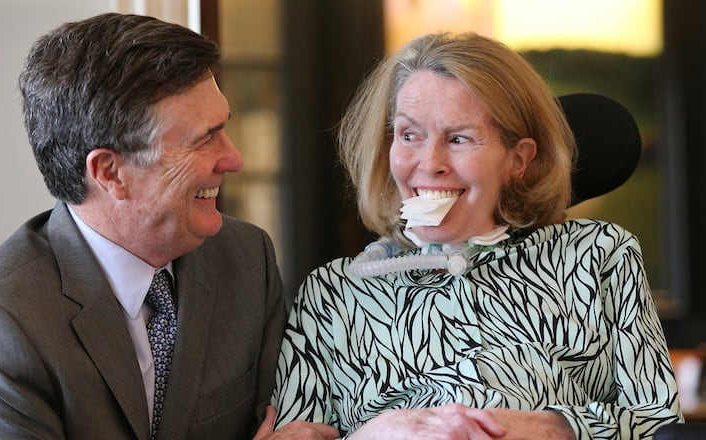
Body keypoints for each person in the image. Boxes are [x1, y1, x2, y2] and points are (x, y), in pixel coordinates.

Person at [0, 13, 337, 440]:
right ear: (110, 172)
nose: (233, 159)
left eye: (225, 127)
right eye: (203, 138)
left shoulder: (247, 257)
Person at [269, 31, 683, 439]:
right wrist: (379, 433)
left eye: (459, 138)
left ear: (517, 159)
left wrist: (545, 426)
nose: (430, 164)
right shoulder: (333, 293)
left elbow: (659, 424)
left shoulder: (598, 255)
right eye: (409, 135)